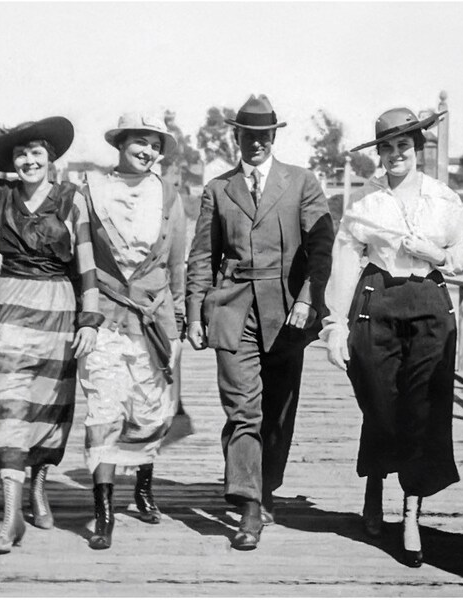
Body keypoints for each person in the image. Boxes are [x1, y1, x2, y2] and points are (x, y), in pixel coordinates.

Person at [0, 117, 102, 555]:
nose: (29, 161)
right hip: (8, 309)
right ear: (13, 162)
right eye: (20, 154)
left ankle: (39, 488)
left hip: (57, 312)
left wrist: (90, 320)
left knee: (46, 405)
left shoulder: (72, 200)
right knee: (9, 403)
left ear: (51, 160)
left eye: (36, 154)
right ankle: (10, 517)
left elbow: (85, 263)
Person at [320, 107, 463, 567]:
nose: (394, 155)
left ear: (417, 149)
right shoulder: (366, 205)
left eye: (403, 146)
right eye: (386, 147)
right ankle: (374, 483)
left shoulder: (444, 199)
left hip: (429, 306)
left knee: (422, 408)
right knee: (381, 403)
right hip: (378, 307)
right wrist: (335, 325)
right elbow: (345, 263)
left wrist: (437, 253)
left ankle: (410, 514)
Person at [186, 94, 334, 550]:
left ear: (273, 137)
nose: (255, 144)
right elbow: (201, 256)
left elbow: (322, 243)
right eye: (247, 136)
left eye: (263, 136)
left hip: (288, 312)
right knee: (243, 410)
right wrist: (194, 313)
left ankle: (265, 485)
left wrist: (309, 299)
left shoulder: (301, 182)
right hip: (231, 308)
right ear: (236, 136)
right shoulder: (217, 189)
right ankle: (249, 508)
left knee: (278, 410)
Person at [78, 112, 186, 550]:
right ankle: (103, 513)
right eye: (141, 142)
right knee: (103, 411)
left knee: (149, 410)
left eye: (156, 145)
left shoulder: (170, 195)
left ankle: (143, 486)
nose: (149, 152)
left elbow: (176, 264)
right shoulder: (92, 191)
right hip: (105, 315)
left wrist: (177, 323)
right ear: (120, 143)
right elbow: (80, 259)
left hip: (153, 318)